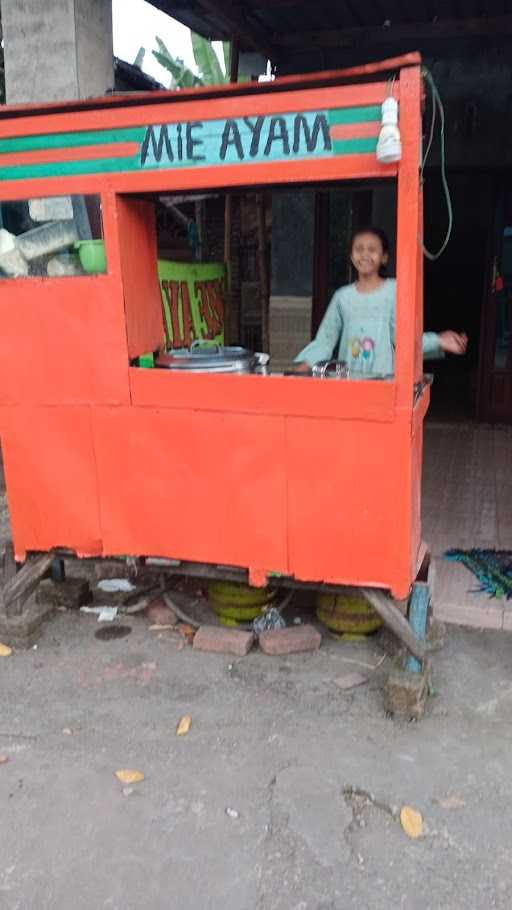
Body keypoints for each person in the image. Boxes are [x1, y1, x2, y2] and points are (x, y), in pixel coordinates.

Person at [295, 226, 467, 376]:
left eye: (372, 249)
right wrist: (301, 370)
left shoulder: (395, 291)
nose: (364, 254)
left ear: (384, 257)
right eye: (359, 249)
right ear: (351, 256)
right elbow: (325, 341)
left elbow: (403, 340)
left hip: (386, 383)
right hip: (349, 383)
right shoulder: (342, 297)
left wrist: (438, 341)